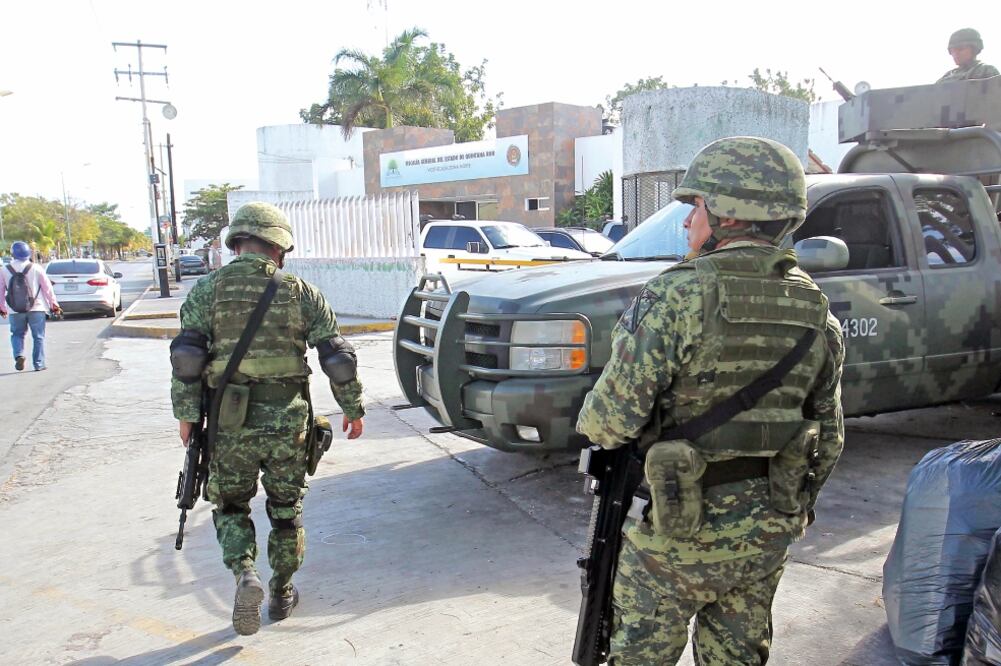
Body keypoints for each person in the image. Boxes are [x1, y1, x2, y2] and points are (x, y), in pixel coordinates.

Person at [576, 136, 845, 665]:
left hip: (674, 536)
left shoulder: (676, 295)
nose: (687, 222)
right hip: (766, 531)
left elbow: (607, 423)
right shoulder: (816, 307)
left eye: (696, 207)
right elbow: (829, 438)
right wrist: (789, 512)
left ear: (726, 214)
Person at [169, 202, 365, 636]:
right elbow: (337, 358)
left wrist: (186, 415)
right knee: (284, 512)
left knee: (232, 506)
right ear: (279, 247)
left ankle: (244, 574)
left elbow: (186, 360)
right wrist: (352, 407)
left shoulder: (206, 291)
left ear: (237, 242)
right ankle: (281, 591)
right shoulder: (301, 292)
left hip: (229, 425)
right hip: (288, 425)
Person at [0, 240, 62, 371]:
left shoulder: (4, 270)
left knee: (17, 334)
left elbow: (0, 291)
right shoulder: (36, 268)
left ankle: (19, 355)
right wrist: (54, 305)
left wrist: (2, 307)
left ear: (12, 254)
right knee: (38, 336)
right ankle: (39, 364)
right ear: (28, 253)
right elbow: (47, 289)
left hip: (15, 309)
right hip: (37, 308)